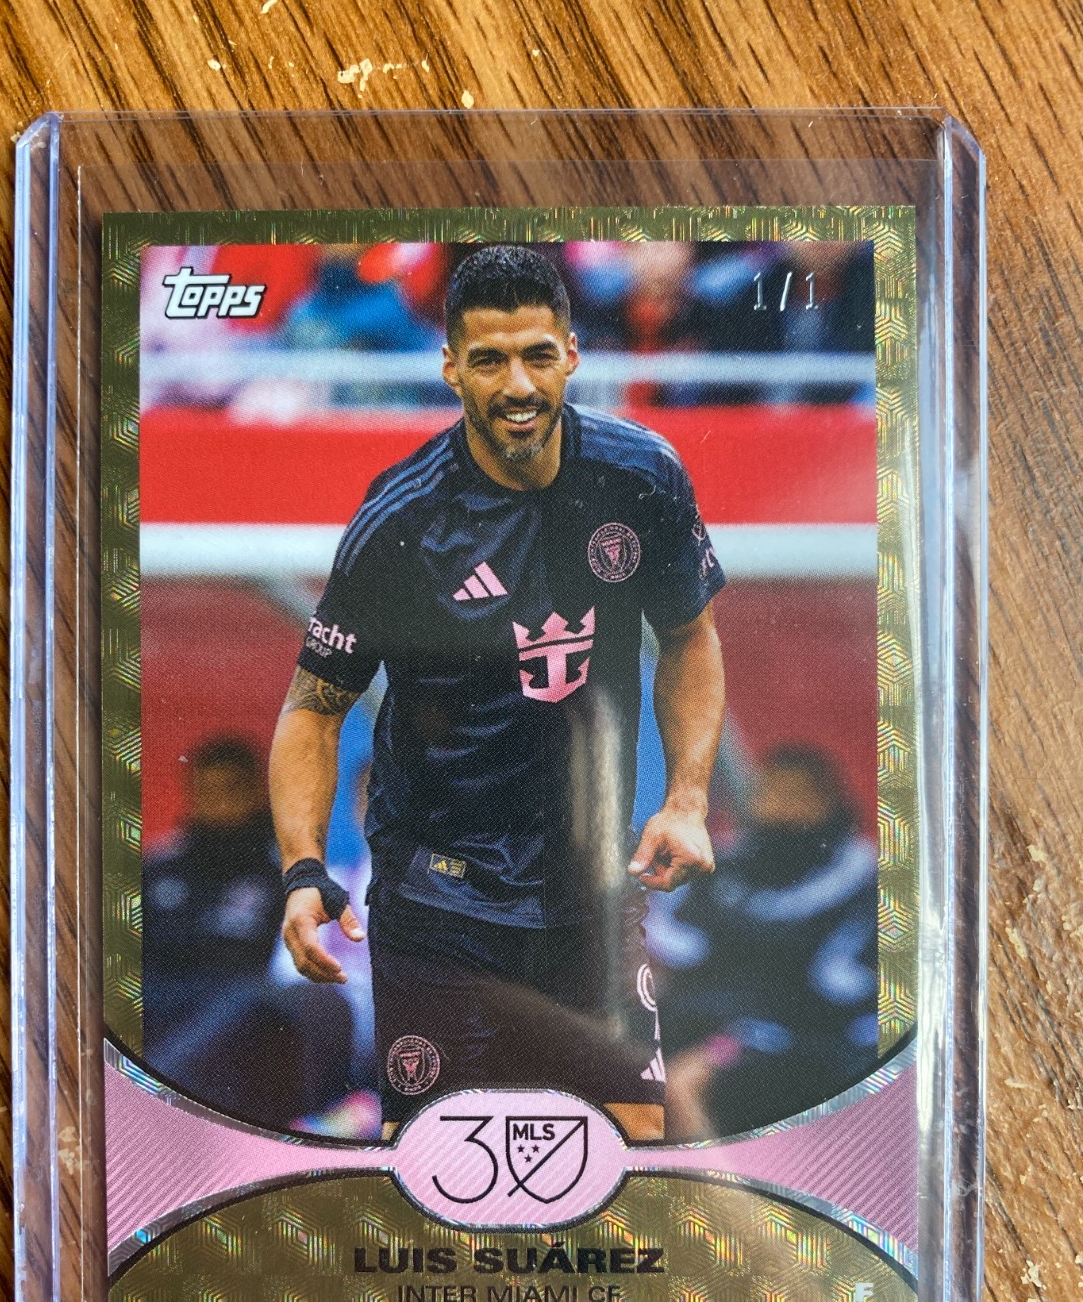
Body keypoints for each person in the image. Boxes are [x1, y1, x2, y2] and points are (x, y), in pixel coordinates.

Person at [269, 245, 727, 1141]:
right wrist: (302, 870)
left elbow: (690, 636)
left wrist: (686, 800)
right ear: (451, 368)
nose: (517, 385)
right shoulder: (402, 519)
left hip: (591, 888)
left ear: (572, 354)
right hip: (439, 906)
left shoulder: (641, 476)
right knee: (441, 1164)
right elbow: (313, 709)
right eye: (489, 360)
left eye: (537, 355)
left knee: (630, 1148)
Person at [648, 744, 879, 1139]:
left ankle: (715, 1178)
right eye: (769, 793)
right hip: (714, 1025)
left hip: (807, 1040)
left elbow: (838, 990)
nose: (781, 808)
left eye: (797, 796)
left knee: (680, 1087)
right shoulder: (723, 866)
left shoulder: (865, 878)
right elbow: (673, 946)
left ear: (830, 803)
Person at [142, 736, 353, 1126]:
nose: (220, 804)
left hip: (243, 1013)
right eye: (208, 793)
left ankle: (151, 1099)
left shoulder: (288, 873)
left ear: (257, 794)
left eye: (232, 791)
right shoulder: (157, 868)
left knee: (263, 999)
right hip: (160, 1002)